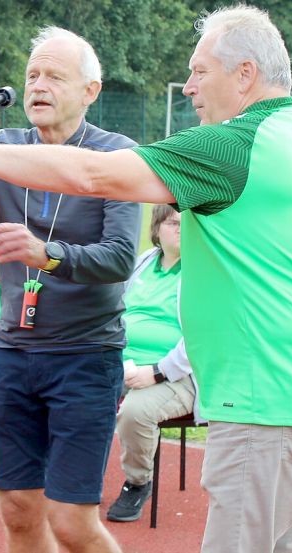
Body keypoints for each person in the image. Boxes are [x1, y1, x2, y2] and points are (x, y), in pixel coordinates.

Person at [0, 5, 292, 552]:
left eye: (200, 71)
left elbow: (97, 176)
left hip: (267, 401)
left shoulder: (234, 144)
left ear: (245, 74)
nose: (189, 86)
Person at [0, 27, 141, 553]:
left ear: (91, 90)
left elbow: (120, 259)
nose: (39, 85)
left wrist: (47, 255)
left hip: (85, 356)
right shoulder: (5, 148)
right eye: (32, 74)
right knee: (18, 513)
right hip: (13, 353)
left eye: (55, 76)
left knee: (71, 521)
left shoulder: (117, 155)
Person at [106, 205, 201, 523]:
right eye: (173, 222)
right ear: (157, 227)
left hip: (177, 374)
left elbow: (204, 335)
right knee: (74, 390)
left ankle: (137, 482)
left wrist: (158, 372)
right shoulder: (142, 263)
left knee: (136, 411)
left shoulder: (204, 271)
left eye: (185, 223)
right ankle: (77, 476)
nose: (179, 228)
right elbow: (112, 309)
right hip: (120, 361)